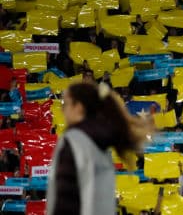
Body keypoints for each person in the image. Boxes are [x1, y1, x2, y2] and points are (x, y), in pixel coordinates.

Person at [46, 81, 149, 215]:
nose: (62, 110)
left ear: (79, 107)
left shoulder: (74, 140)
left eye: (66, 104)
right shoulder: (101, 140)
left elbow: (64, 197)